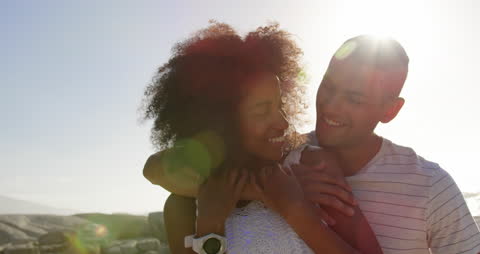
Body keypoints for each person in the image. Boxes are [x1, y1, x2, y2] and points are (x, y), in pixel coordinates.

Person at [142, 22, 382, 254]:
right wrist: (209, 228)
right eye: (261, 111)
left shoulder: (313, 166)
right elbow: (152, 168)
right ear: (221, 123)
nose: (283, 123)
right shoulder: (183, 204)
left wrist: (295, 210)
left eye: (281, 105)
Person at [295, 35, 480, 254]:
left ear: (390, 110)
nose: (331, 106)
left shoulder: (431, 186)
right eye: (328, 86)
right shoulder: (283, 155)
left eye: (354, 99)